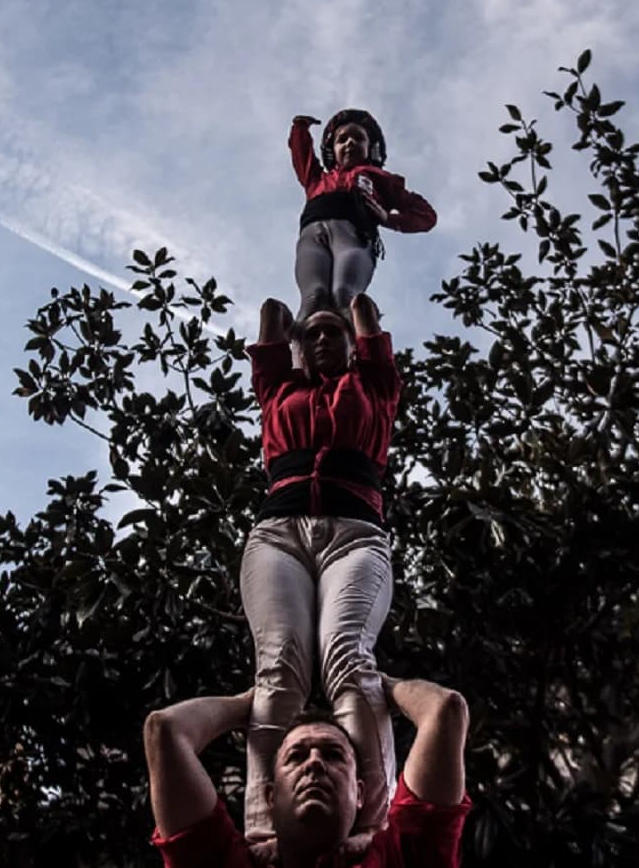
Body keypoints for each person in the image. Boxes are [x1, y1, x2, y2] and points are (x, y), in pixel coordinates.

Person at [241, 292, 399, 848]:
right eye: (314, 335)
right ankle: (264, 829)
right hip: (279, 533)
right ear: (299, 348)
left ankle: (373, 828)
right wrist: (296, 325)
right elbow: (269, 316)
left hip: (354, 533)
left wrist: (342, 301)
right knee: (279, 667)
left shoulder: (374, 385)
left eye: (334, 334)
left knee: (349, 657)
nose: (324, 340)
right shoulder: (280, 389)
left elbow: (366, 317)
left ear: (353, 347)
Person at [144, 676, 471, 867]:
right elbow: (164, 731)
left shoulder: (399, 857)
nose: (314, 763)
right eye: (296, 756)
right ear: (269, 795)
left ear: (360, 793)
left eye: (332, 755)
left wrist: (373, 681)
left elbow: (446, 710)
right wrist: (248, 703)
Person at [290, 110, 437, 320]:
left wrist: (388, 219)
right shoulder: (316, 179)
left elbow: (426, 215)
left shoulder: (381, 179)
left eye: (358, 138)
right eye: (342, 139)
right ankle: (299, 350)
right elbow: (301, 155)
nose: (350, 143)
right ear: (332, 150)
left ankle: (358, 346)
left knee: (345, 295)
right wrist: (300, 128)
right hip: (312, 233)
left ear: (371, 148)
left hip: (353, 235)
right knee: (313, 298)